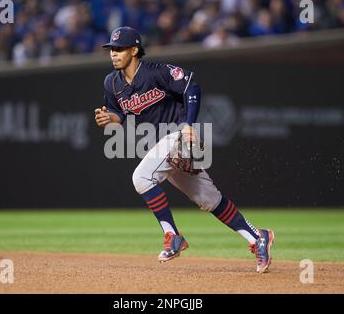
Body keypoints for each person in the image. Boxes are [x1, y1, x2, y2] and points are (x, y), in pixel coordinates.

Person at [94, 26, 275, 273]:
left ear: (134, 50)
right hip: (159, 146)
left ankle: (173, 236)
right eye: (112, 49)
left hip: (177, 137)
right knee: (209, 200)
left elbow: (191, 85)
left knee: (141, 177)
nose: (113, 54)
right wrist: (111, 119)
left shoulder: (156, 72)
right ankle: (258, 237)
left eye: (119, 49)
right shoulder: (111, 83)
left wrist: (189, 125)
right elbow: (118, 112)